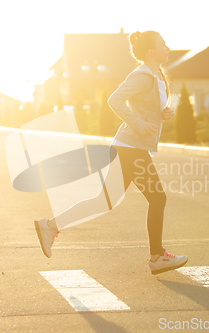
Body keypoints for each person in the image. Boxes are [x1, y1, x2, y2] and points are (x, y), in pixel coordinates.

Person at [35, 30, 188, 275]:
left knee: (103, 201)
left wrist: (161, 115)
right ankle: (157, 257)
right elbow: (115, 100)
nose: (167, 47)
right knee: (158, 198)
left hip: (129, 147)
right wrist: (139, 124)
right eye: (163, 44)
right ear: (151, 51)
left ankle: (50, 226)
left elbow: (143, 107)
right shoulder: (142, 75)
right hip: (130, 147)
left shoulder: (156, 75)